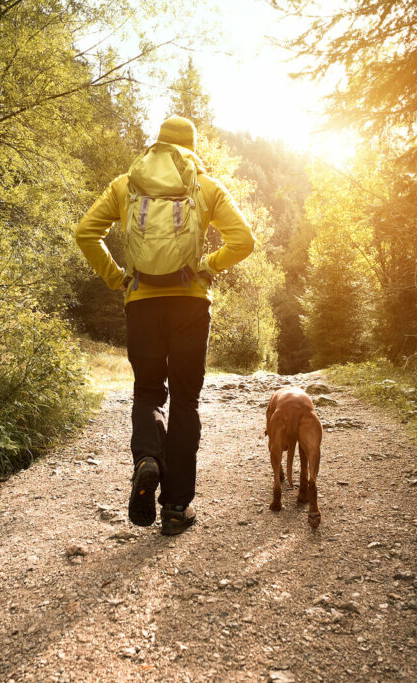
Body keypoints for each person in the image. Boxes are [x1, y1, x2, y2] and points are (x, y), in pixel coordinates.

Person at [75, 116, 254, 535]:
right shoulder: (206, 187)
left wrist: (117, 276)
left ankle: (147, 457)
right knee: (186, 401)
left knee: (149, 391)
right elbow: (244, 241)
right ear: (192, 148)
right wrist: (208, 265)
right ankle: (176, 507)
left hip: (142, 304)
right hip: (190, 304)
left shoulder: (125, 185)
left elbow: (86, 233)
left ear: (156, 145)